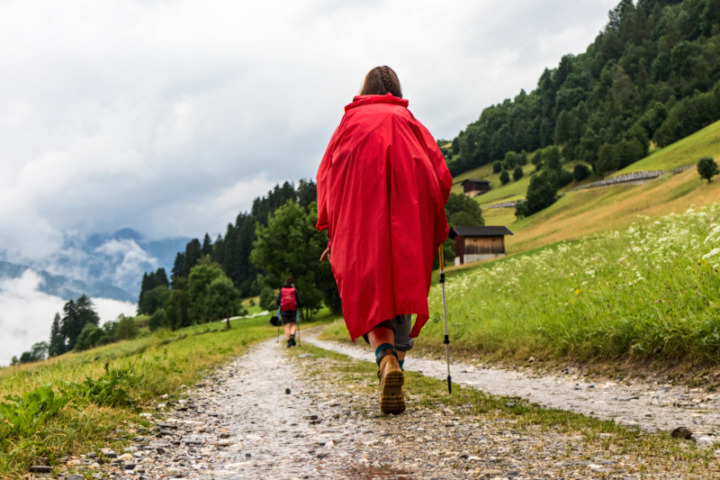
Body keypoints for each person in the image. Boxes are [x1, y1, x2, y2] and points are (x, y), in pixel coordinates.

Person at [316, 66, 452, 414]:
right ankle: (395, 370)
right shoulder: (410, 123)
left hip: (361, 226)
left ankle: (385, 357)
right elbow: (441, 175)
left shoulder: (349, 125)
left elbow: (327, 178)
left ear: (364, 90)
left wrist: (333, 224)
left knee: (370, 294)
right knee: (402, 290)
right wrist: (433, 219)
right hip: (408, 222)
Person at [276, 277, 301, 347]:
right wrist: (298, 305)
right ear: (292, 283)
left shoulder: (282, 290)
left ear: (285, 283)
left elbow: (278, 301)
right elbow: (299, 301)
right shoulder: (294, 290)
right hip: (293, 309)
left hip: (284, 310)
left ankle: (289, 341)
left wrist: (279, 305)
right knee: (293, 324)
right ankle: (292, 336)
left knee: (287, 326)